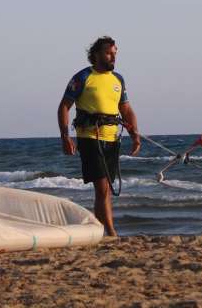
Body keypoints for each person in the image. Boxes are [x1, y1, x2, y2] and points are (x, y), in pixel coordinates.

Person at [57, 36, 141, 236]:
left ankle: (101, 231)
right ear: (96, 54)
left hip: (112, 138)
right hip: (90, 137)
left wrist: (135, 134)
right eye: (108, 53)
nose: (113, 57)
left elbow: (126, 109)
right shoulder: (83, 77)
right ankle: (111, 232)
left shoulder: (118, 79)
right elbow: (64, 106)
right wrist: (65, 136)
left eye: (114, 53)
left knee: (104, 189)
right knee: (102, 187)